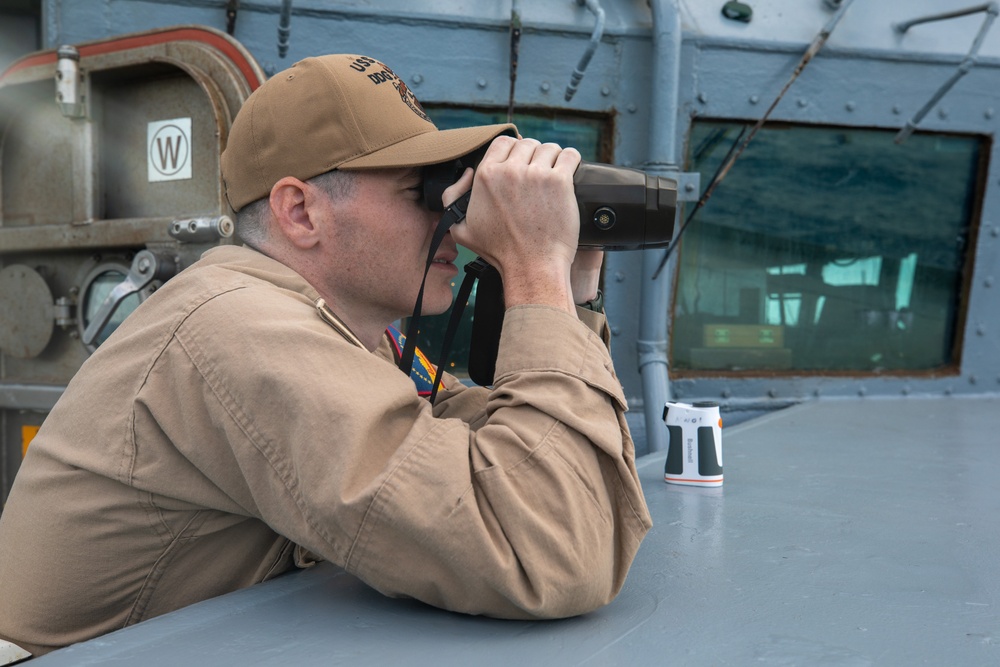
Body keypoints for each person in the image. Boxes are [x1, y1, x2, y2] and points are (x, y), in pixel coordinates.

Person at [0, 53, 651, 658]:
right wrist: (535, 268)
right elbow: (551, 551)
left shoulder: (350, 335)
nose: (451, 216)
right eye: (423, 190)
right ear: (301, 212)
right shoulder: (240, 327)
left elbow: (573, 486)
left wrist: (569, 288)